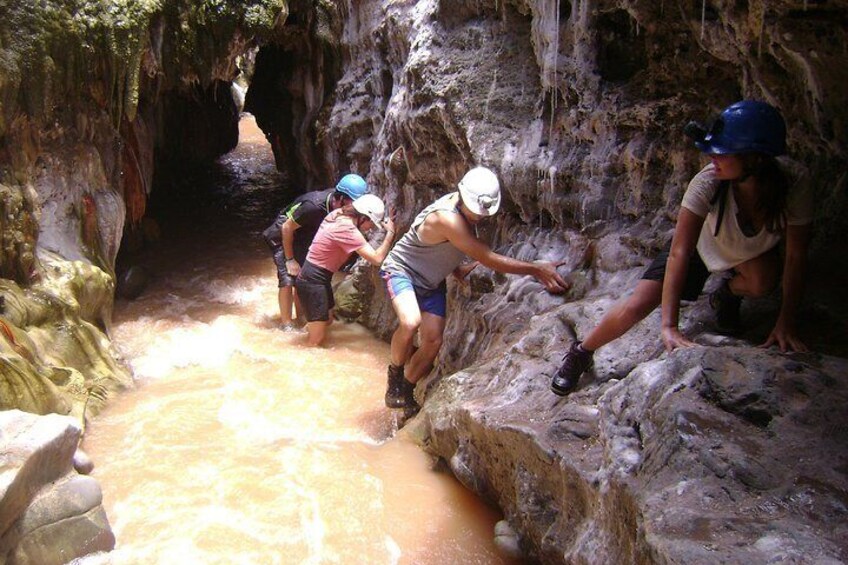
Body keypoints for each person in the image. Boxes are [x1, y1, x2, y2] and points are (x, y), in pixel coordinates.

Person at [550, 100, 814, 396]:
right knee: (637, 304)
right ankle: (582, 351)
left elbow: (796, 255)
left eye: (722, 152)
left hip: (745, 253)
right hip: (701, 248)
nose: (712, 157)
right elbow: (680, 252)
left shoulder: (794, 183)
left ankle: (726, 294)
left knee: (763, 281)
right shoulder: (708, 182)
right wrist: (669, 326)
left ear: (755, 158)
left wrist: (785, 323)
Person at [380, 166, 570, 411]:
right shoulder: (445, 217)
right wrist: (536, 269)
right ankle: (394, 377)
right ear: (462, 195)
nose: (480, 216)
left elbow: (446, 246)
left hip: (432, 281)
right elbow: (487, 257)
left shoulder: (464, 213)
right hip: (402, 271)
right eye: (476, 210)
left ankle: (406, 392)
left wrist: (455, 268)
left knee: (433, 341)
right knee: (409, 322)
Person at [263, 174, 368, 330]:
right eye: (353, 203)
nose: (356, 208)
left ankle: (302, 319)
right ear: (340, 199)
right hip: (282, 233)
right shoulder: (313, 206)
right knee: (287, 278)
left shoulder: (341, 209)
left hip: (303, 234)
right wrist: (290, 259)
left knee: (302, 276)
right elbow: (286, 227)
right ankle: (286, 324)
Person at [295, 194, 396, 346]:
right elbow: (376, 259)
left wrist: (383, 219)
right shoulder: (347, 230)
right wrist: (391, 233)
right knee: (316, 341)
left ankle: (298, 338)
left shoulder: (338, 214)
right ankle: (300, 356)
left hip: (316, 277)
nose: (371, 228)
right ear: (363, 217)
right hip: (313, 281)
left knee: (327, 320)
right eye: (372, 224)